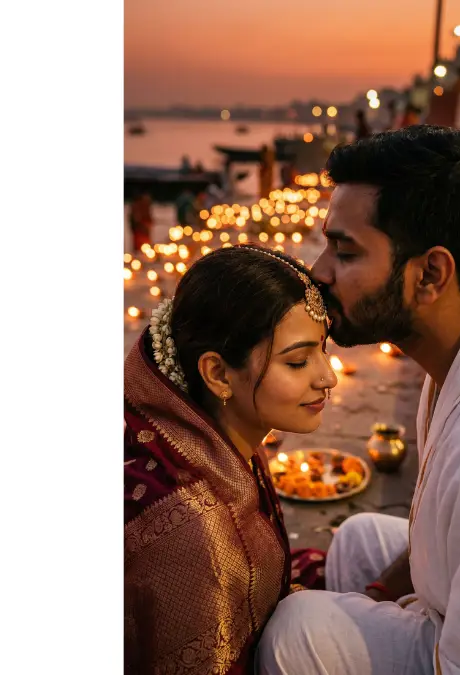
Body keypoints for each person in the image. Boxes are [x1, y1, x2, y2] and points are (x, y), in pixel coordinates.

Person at [256, 126, 460, 674]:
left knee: (297, 631)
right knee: (359, 537)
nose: (319, 271)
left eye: (345, 251)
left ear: (430, 274)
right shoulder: (458, 353)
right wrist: (381, 593)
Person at [124, 244, 340, 674]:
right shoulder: (198, 536)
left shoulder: (213, 431)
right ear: (219, 374)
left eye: (323, 349)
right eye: (298, 362)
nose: (328, 377)